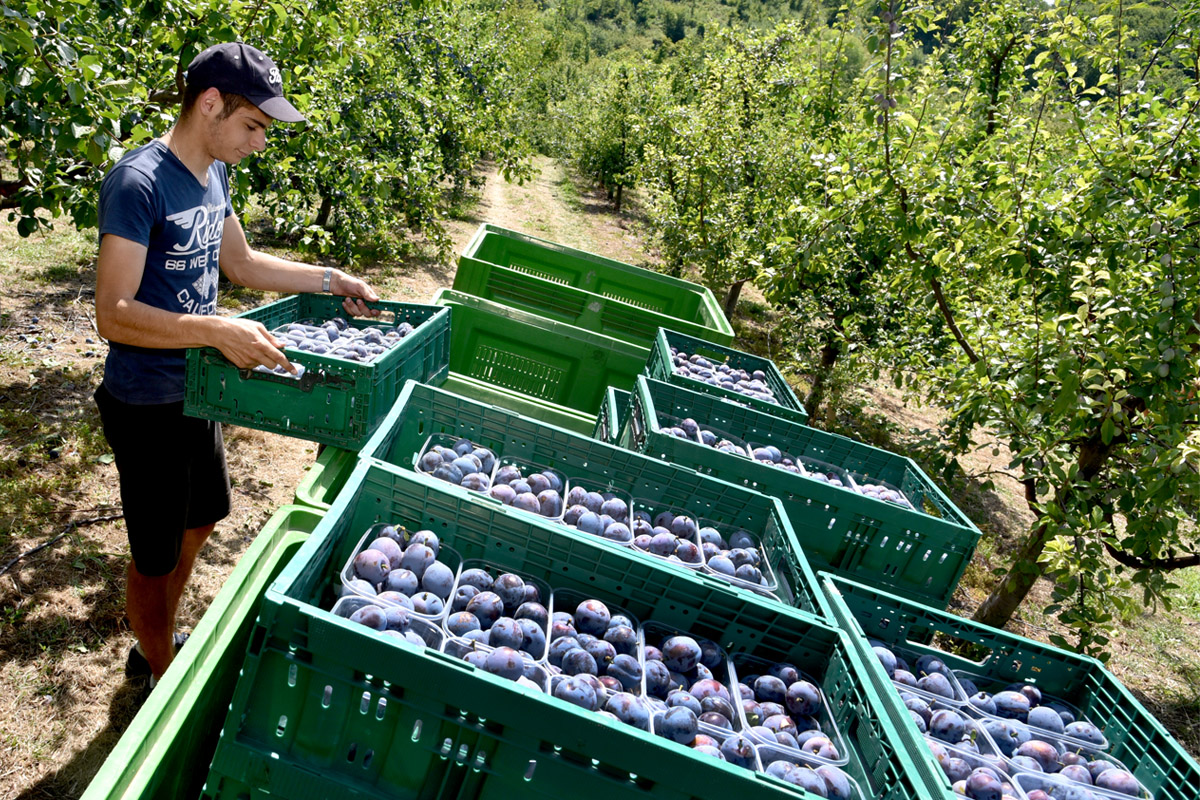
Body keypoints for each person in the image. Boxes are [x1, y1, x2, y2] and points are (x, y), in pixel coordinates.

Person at [93, 42, 379, 688]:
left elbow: (242, 265)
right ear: (211, 104)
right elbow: (112, 311)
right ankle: (159, 669)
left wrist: (331, 280)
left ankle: (155, 636)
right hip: (147, 402)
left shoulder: (213, 174)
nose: (259, 142)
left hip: (200, 391)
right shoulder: (139, 184)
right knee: (154, 555)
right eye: (253, 126)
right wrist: (216, 331)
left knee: (203, 517)